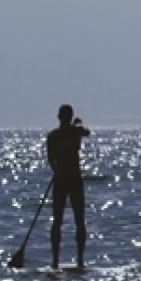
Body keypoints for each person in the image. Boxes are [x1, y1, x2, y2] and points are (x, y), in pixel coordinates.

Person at [46, 104, 90, 270]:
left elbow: (50, 159)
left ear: (59, 117)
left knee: (61, 221)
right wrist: (77, 124)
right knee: (74, 220)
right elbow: (86, 131)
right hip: (70, 180)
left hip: (64, 180)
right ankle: (76, 259)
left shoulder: (55, 135)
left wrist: (56, 168)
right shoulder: (73, 131)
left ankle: (57, 260)